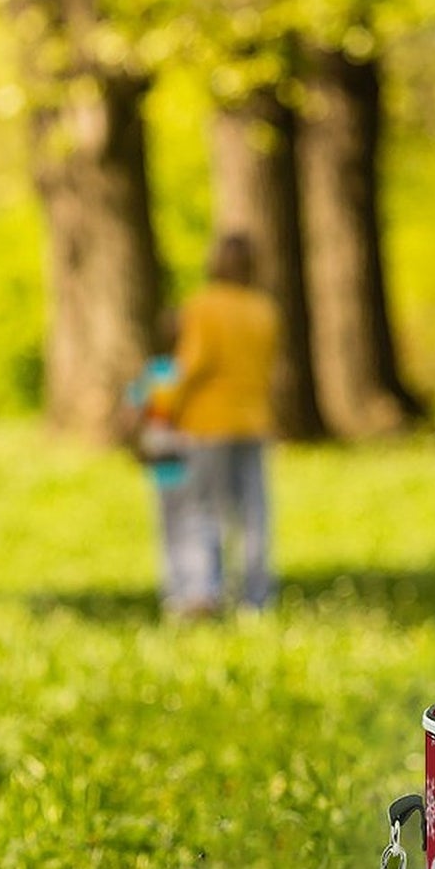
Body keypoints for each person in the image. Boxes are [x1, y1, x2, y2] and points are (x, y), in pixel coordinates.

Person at [166, 233, 280, 615]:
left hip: (208, 422)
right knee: (253, 514)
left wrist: (167, 407)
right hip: (254, 419)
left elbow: (194, 363)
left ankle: (204, 591)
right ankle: (256, 597)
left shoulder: (203, 306)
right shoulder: (263, 308)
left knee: (204, 509)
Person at [124, 308, 206, 616]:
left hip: (160, 455)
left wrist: (134, 442)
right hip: (192, 454)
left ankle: (175, 593)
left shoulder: (152, 373)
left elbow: (131, 411)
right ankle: (199, 591)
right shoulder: (191, 373)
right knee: (197, 522)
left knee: (169, 526)